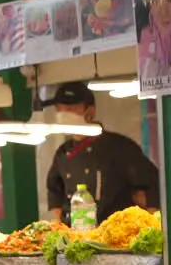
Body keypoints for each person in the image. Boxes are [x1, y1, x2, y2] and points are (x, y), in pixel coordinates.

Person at [45, 82, 160, 223]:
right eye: (59, 109)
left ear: (90, 111)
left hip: (116, 235)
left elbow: (153, 184)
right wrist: (59, 226)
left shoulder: (119, 147)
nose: (64, 114)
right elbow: (54, 191)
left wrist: (149, 225)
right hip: (74, 235)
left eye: (70, 108)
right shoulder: (62, 153)